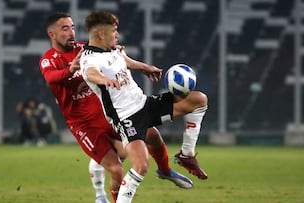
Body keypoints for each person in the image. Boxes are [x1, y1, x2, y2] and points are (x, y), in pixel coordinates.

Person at [39, 12, 192, 203]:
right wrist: (70, 69)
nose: (71, 32)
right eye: (64, 28)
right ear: (52, 34)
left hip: (106, 114)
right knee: (117, 169)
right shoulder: (49, 59)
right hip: (84, 125)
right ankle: (102, 196)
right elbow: (50, 77)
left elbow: (116, 56)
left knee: (152, 135)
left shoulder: (83, 48)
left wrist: (133, 61)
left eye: (72, 27)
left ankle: (165, 170)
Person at [80, 10, 208, 202]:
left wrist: (145, 68)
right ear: (100, 34)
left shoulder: (113, 49)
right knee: (141, 166)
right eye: (114, 31)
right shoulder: (89, 59)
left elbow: (125, 61)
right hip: (126, 118)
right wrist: (103, 79)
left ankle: (186, 155)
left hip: (144, 104)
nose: (117, 34)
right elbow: (90, 73)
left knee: (198, 100)